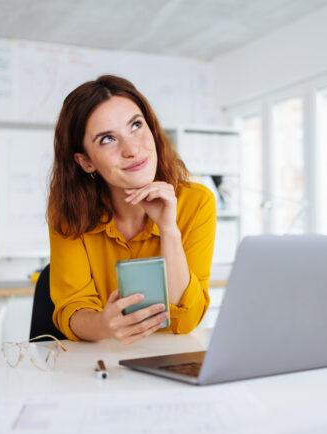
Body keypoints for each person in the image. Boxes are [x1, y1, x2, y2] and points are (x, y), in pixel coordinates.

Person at [47, 75, 216, 344]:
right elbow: (72, 309)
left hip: (171, 358)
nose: (132, 149)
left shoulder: (197, 203)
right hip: (103, 362)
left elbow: (186, 319)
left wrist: (168, 230)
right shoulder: (69, 209)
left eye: (136, 125)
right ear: (86, 162)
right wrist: (104, 325)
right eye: (107, 139)